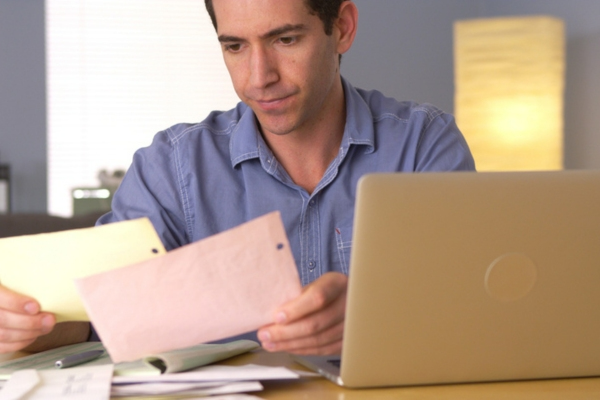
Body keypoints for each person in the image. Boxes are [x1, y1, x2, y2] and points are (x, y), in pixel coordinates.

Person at [0, 0, 475, 355]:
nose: (257, 77)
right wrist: (24, 325)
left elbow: (474, 306)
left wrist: (377, 310)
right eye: (234, 46)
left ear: (343, 27)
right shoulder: (172, 167)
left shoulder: (423, 145)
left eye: (285, 40)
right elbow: (96, 320)